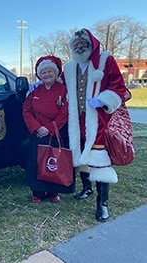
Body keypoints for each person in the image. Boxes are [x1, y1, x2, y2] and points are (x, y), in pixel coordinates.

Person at [64, 28, 130, 221]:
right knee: (81, 153)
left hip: (99, 119)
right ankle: (87, 188)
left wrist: (103, 100)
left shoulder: (105, 60)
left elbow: (119, 86)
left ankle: (103, 204)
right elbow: (60, 85)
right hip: (76, 119)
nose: (80, 47)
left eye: (83, 44)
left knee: (100, 159)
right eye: (76, 45)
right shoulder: (69, 67)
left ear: (91, 44)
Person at [22, 55, 75, 203]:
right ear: (39, 75)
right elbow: (26, 110)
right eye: (43, 72)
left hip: (56, 133)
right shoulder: (35, 92)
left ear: (56, 73)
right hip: (38, 134)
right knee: (36, 162)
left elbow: (65, 112)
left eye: (50, 72)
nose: (47, 75)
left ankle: (53, 191)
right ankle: (38, 192)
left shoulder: (63, 91)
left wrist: (50, 128)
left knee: (54, 161)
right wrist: (37, 127)